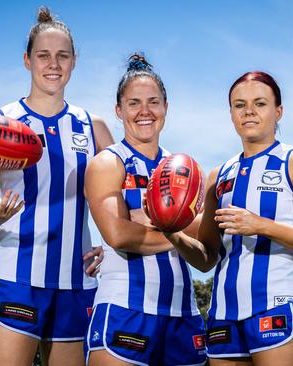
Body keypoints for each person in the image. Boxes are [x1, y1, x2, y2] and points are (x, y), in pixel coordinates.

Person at [0, 7, 114, 366]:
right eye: (43, 55)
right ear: (27, 60)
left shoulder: (94, 127)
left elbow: (121, 203)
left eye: (63, 56)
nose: (53, 64)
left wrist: (110, 246)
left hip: (77, 282)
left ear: (75, 61)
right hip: (16, 277)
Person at [162, 71, 293, 366]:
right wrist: (171, 233)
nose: (249, 112)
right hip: (224, 315)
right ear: (231, 113)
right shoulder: (219, 175)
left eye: (260, 103)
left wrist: (260, 225)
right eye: (240, 105)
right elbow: (206, 259)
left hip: (278, 306)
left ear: (278, 111)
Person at [84, 53, 207, 366]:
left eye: (153, 101)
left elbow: (206, 250)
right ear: (119, 109)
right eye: (133, 103)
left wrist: (148, 220)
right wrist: (178, 226)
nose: (144, 112)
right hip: (125, 309)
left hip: (183, 313)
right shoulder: (108, 163)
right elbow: (118, 234)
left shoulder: (186, 169)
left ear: (166, 107)